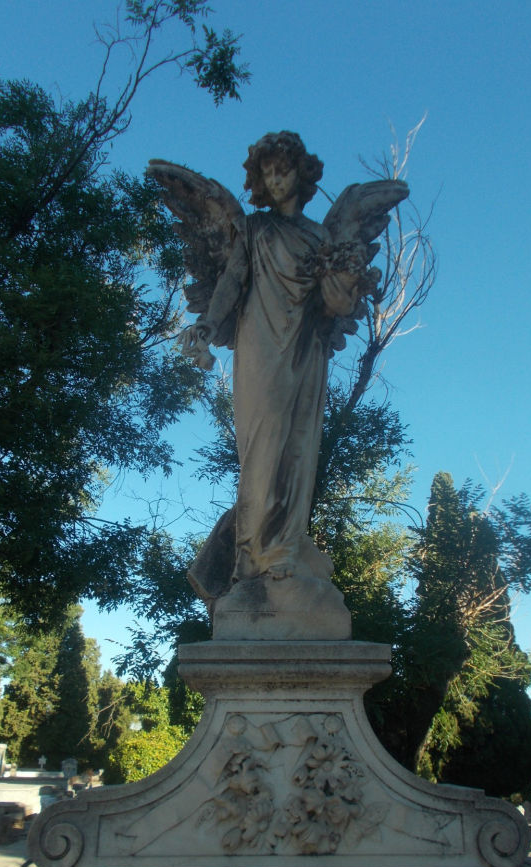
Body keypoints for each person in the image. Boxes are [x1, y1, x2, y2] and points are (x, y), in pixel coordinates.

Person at [186, 132, 359, 601]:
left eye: (285, 170)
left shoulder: (320, 236)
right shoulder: (256, 230)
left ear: (301, 175)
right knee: (264, 448)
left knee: (298, 449)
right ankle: (251, 555)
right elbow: (231, 280)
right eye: (269, 172)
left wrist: (345, 286)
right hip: (262, 345)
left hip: (307, 351)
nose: (277, 179)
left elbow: (333, 305)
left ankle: (283, 547)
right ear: (260, 180)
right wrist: (206, 326)